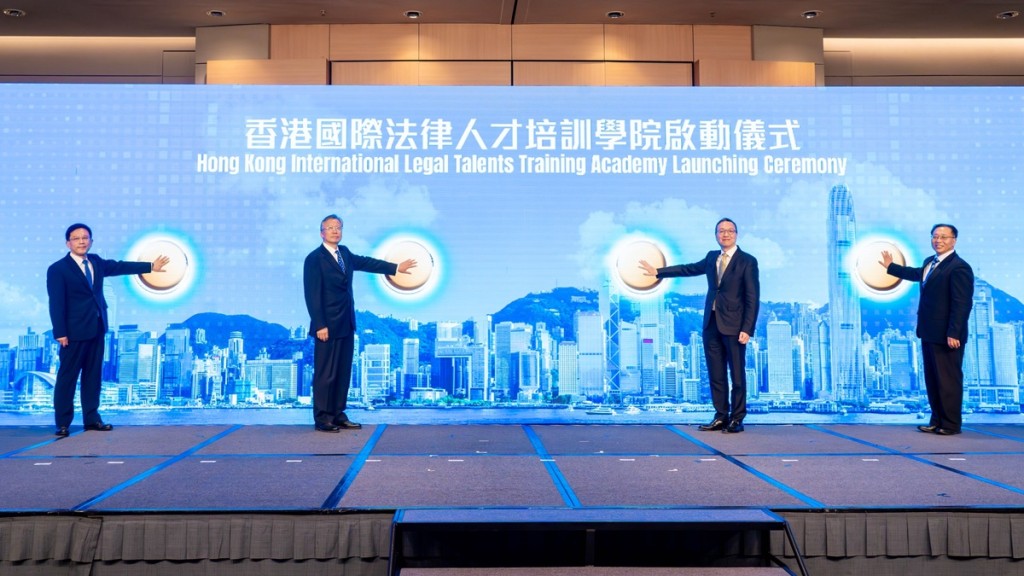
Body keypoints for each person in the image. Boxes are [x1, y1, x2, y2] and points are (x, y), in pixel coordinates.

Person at [47, 223, 169, 437]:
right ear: (68, 243)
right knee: (67, 378)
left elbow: (120, 267)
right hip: (73, 332)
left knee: (93, 377)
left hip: (97, 327)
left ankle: (92, 419)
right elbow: (56, 302)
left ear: (91, 241)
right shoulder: (58, 269)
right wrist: (60, 332)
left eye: (85, 237)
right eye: (76, 238)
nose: (81, 241)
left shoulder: (95, 262)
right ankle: (63, 423)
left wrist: (151, 266)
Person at [639, 218, 760, 433]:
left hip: (735, 326)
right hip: (711, 324)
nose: (725, 234)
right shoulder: (712, 257)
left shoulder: (747, 261)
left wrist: (747, 329)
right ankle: (721, 416)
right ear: (716, 235)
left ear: (736, 234)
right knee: (716, 374)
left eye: (729, 231)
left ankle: (737, 419)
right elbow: (689, 269)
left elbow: (752, 297)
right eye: (721, 231)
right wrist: (658, 271)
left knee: (737, 375)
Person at [303, 214, 416, 432]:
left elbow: (366, 262)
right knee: (325, 374)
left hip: (346, 322)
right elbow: (312, 294)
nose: (335, 231)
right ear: (322, 233)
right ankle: (323, 418)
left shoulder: (344, 253)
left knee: (342, 372)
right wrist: (319, 324)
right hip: (326, 326)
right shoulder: (314, 259)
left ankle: (338, 414)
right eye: (330, 228)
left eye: (338, 227)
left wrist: (395, 268)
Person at [880, 224, 973, 435]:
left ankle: (950, 424)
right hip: (929, 331)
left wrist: (954, 332)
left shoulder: (959, 267)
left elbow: (962, 303)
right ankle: (937, 421)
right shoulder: (929, 262)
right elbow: (916, 274)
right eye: (935, 236)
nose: (938, 240)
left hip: (947, 335)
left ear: (954, 240)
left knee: (948, 380)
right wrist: (891, 267)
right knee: (933, 380)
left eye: (943, 237)